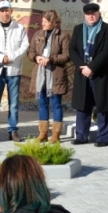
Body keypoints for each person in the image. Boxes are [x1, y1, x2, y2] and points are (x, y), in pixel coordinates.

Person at [71, 2, 108, 147]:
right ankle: (81, 136)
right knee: (83, 105)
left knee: (103, 106)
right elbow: (72, 50)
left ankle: (103, 137)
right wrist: (82, 66)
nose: (91, 16)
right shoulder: (78, 29)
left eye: (94, 13)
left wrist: (91, 67)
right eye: (88, 14)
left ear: (99, 14)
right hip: (83, 73)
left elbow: (106, 51)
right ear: (85, 15)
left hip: (100, 73)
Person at [0, 0, 28, 142]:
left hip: (13, 70)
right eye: (2, 11)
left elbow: (24, 47)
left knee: (14, 103)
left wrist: (10, 57)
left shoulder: (19, 28)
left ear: (11, 11)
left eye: (7, 10)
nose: (5, 13)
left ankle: (13, 131)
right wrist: (0, 57)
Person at [28, 10, 71, 144]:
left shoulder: (63, 35)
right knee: (42, 104)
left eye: (45, 22)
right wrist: (36, 57)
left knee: (56, 104)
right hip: (40, 75)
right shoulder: (38, 34)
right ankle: (43, 133)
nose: (43, 24)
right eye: (42, 21)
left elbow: (66, 55)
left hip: (55, 75)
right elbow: (31, 51)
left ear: (53, 22)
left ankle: (56, 135)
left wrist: (51, 59)